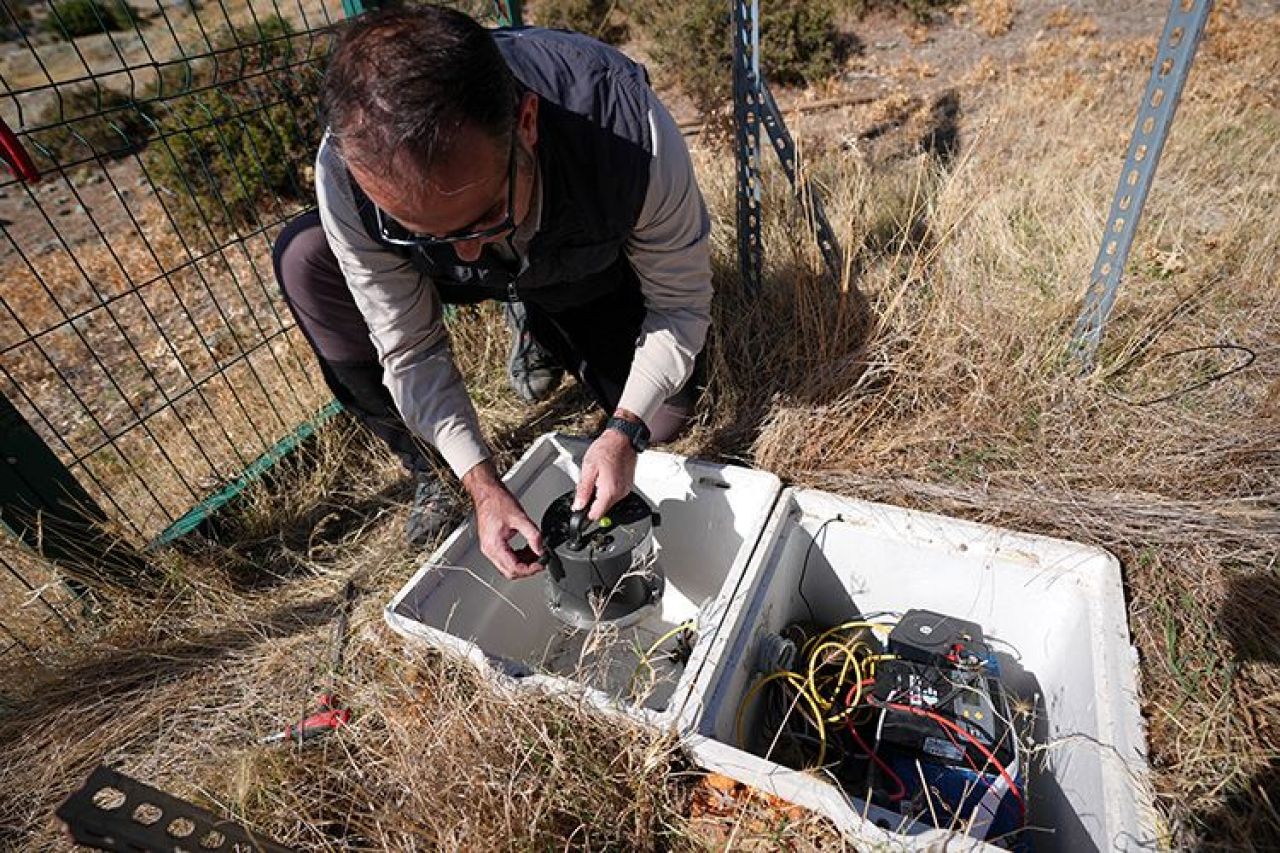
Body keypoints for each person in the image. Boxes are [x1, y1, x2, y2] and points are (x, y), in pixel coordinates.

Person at [273, 4, 712, 579]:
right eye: (419, 227)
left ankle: (539, 317)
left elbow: (678, 305)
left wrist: (623, 427)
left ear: (526, 122)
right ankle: (430, 468)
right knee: (305, 258)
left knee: (665, 419)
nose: (467, 255)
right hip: (440, 274)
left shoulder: (627, 129)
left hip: (572, 256)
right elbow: (409, 348)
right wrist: (478, 480)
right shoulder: (346, 171)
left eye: (480, 215)